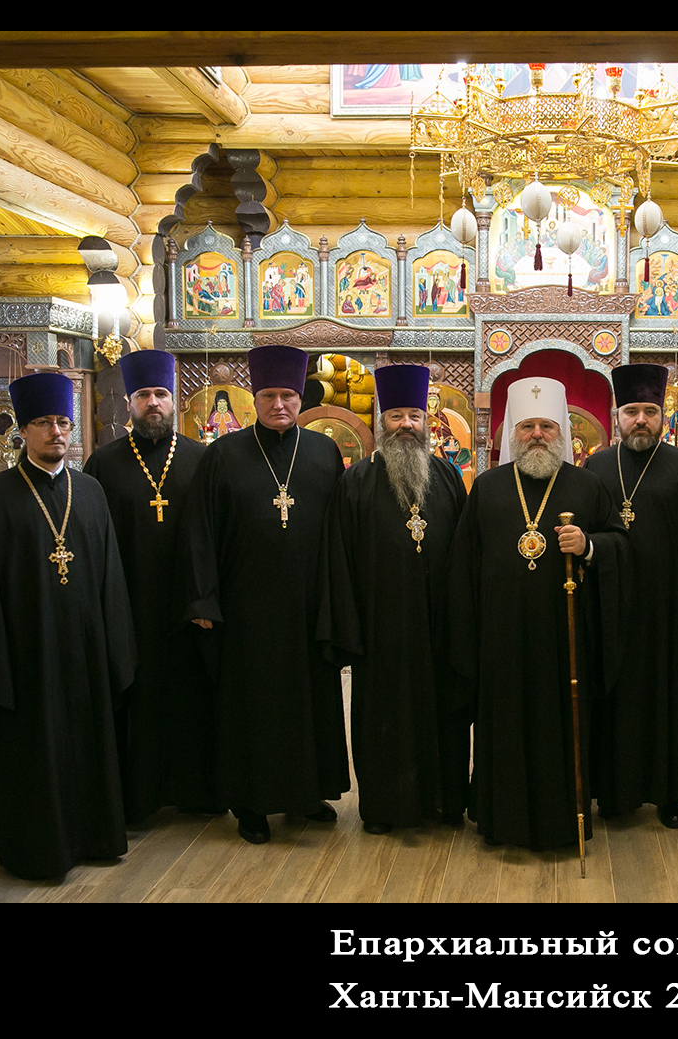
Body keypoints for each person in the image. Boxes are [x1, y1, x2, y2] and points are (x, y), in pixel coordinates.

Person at [0, 372, 136, 880]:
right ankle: (35, 850)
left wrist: (115, 649)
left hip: (84, 649)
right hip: (26, 654)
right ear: (23, 431)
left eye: (62, 422)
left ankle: (95, 837)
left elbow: (111, 577)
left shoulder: (90, 491)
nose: (56, 432)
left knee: (87, 745)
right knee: (33, 752)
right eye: (43, 423)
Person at [447, 378, 628, 849]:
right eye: (527, 426)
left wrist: (588, 545)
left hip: (565, 640)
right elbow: (463, 567)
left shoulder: (587, 485)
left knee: (559, 729)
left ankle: (560, 823)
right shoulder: (487, 487)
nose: (537, 435)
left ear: (562, 432)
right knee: (505, 728)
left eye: (546, 426)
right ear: (513, 432)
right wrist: (467, 639)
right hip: (501, 638)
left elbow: (620, 546)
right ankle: (501, 820)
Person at [182, 345, 349, 845]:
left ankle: (307, 794)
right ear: (254, 399)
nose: (279, 404)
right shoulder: (223, 455)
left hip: (309, 603)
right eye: (270, 396)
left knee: (308, 701)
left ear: (301, 399)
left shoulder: (323, 452)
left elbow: (340, 532)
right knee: (252, 707)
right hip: (246, 606)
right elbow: (200, 531)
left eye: (288, 396)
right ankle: (250, 802)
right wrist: (203, 599)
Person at [319, 364, 470, 834]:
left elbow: (467, 553)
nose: (406, 424)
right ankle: (384, 808)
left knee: (443, 713)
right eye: (396, 416)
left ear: (427, 421)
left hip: (439, 626)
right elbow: (339, 559)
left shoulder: (448, 477)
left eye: (414, 416)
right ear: (382, 422)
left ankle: (446, 802)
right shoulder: (356, 482)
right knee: (385, 717)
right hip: (380, 628)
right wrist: (350, 628)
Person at [584, 364, 678, 829]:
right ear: (617, 416)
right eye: (631, 411)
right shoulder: (597, 467)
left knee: (668, 706)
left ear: (662, 415)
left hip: (667, 613)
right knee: (614, 705)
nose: (640, 420)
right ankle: (615, 794)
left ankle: (668, 794)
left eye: (649, 411)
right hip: (611, 609)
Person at [81, 349, 216, 823]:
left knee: (190, 698)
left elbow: (215, 535)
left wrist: (205, 598)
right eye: (143, 395)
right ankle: (136, 799)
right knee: (134, 699)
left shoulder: (203, 459)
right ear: (129, 403)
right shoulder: (102, 465)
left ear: (174, 400)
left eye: (161, 394)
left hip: (187, 605)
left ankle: (196, 793)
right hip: (129, 604)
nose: (153, 403)